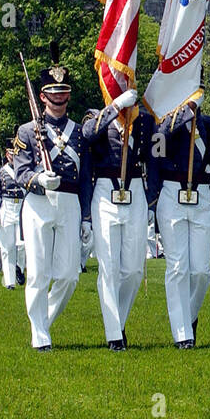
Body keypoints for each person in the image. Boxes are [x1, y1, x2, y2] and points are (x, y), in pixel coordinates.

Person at [14, 57, 94, 351]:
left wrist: (86, 216)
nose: (59, 98)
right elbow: (20, 172)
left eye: (63, 92)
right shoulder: (27, 131)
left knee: (69, 275)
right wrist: (37, 178)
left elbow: (86, 177)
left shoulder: (79, 132)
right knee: (38, 273)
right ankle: (40, 335)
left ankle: (42, 322)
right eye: (53, 92)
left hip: (70, 201)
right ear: (42, 96)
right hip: (38, 203)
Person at [151, 96, 210, 348]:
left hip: (202, 195)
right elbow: (156, 153)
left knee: (201, 271)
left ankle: (189, 316)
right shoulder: (163, 123)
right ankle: (182, 334)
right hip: (172, 193)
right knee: (177, 267)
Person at [81, 87, 151, 350]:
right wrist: (115, 107)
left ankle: (118, 320)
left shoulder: (141, 120)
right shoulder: (96, 117)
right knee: (109, 266)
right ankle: (114, 335)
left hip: (134, 190)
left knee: (133, 269)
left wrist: (152, 200)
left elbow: (151, 159)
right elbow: (87, 135)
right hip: (105, 190)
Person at [0, 141, 26, 289]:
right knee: (7, 247)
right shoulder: (0, 172)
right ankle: (9, 281)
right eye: (12, 154)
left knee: (22, 245)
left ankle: (19, 267)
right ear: (7, 155)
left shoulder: (24, 170)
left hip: (22, 206)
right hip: (6, 207)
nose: (15, 157)